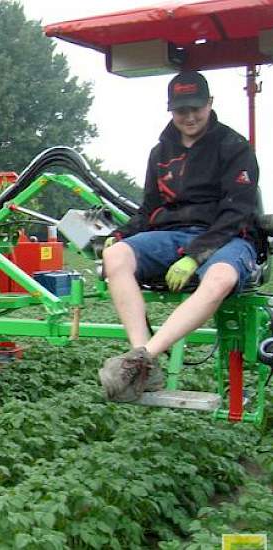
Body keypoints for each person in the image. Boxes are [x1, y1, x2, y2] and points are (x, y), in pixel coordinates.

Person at [99, 71, 261, 402]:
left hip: (228, 237)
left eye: (196, 108)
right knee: (115, 256)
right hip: (171, 236)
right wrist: (120, 235)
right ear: (170, 110)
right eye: (181, 110)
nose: (189, 117)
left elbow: (237, 212)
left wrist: (195, 256)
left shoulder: (234, 147)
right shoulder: (160, 153)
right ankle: (141, 358)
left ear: (210, 104)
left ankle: (142, 358)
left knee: (219, 278)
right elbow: (149, 210)